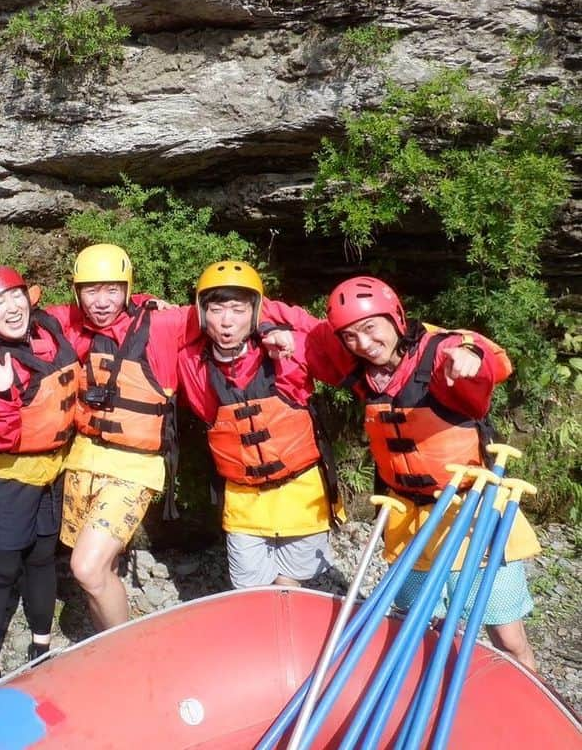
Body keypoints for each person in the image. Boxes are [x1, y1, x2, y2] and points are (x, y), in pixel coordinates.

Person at [306, 276, 541, 671]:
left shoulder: (437, 356)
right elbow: (302, 328)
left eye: (370, 328)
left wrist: (469, 356)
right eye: (350, 336)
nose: (363, 344)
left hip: (472, 519)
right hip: (409, 524)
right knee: (421, 629)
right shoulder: (364, 375)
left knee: (508, 638)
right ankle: (429, 703)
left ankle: (537, 710)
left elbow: (479, 354)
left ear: (396, 318)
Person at [45, 243, 193, 631]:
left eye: (113, 289)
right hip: (83, 459)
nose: (102, 301)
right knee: (101, 567)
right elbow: (16, 315)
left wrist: (269, 325)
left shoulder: (160, 325)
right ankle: (102, 641)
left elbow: (223, 313)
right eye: (91, 290)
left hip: (134, 467)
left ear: (128, 290)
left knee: (86, 568)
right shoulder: (73, 326)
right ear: (77, 293)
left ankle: (120, 647)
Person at [177, 261, 344, 589]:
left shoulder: (285, 350)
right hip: (244, 499)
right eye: (216, 309)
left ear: (255, 311)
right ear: (201, 313)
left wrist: (269, 322)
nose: (226, 322)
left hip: (302, 492)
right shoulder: (189, 362)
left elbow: (334, 337)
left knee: (289, 585)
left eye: (239, 310)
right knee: (251, 590)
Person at [0, 266, 80, 688]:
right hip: (8, 480)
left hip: (52, 472)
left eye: (15, 296)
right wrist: (2, 390)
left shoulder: (49, 327)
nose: (11, 308)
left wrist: (145, 303)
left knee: (42, 560)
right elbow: (1, 434)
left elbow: (95, 311)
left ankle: (41, 647)